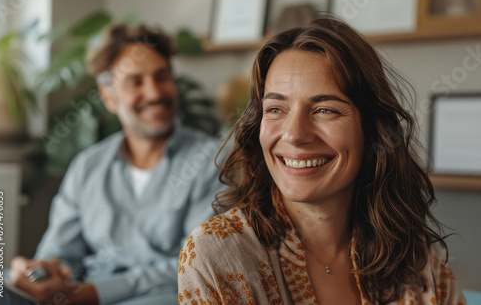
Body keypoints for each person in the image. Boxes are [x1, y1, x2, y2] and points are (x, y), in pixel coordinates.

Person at [177, 16, 466, 304]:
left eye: (325, 110)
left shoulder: (417, 259)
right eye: (276, 109)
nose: (294, 135)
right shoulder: (216, 253)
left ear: (371, 129)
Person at [7, 24, 228, 305]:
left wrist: (95, 294)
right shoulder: (87, 166)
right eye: (136, 81)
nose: (154, 93)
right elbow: (59, 254)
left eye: (162, 77)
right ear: (109, 97)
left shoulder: (212, 161)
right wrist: (38, 273)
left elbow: (199, 266)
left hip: (162, 296)